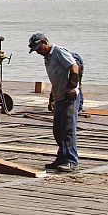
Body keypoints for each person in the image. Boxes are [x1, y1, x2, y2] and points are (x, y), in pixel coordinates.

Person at [29, 32, 81, 172]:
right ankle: (62, 157)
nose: (38, 52)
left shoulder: (58, 52)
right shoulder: (47, 57)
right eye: (36, 51)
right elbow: (55, 78)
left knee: (68, 130)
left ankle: (71, 160)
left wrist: (71, 86)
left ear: (45, 42)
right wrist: (52, 97)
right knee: (58, 130)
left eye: (40, 49)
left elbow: (74, 67)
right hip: (59, 97)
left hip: (69, 97)